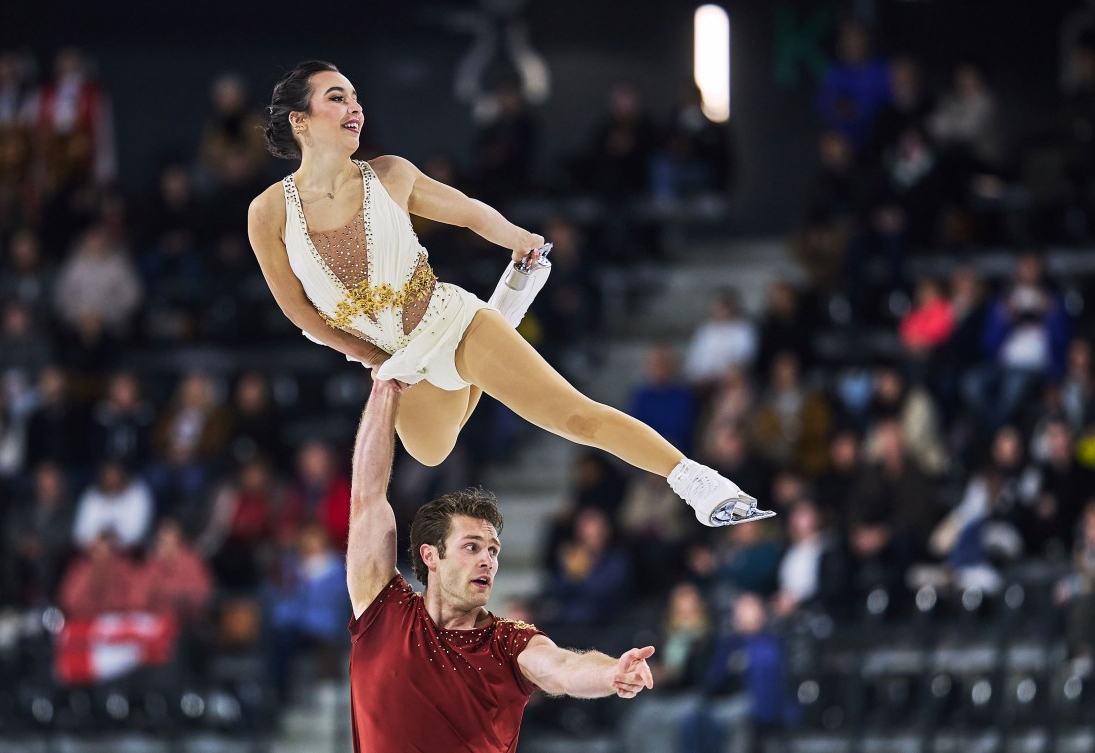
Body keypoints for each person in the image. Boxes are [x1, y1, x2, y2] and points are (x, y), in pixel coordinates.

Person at [246, 60, 768, 527]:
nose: (354, 106)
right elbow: (297, 309)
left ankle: (697, 481)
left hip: (452, 325)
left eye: (356, 97)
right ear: (300, 119)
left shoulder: (390, 175)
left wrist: (520, 239)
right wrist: (369, 356)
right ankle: (508, 310)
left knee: (573, 416)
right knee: (429, 451)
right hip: (399, 360)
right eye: (336, 97)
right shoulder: (268, 211)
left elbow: (470, 210)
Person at [341, 377, 657, 752]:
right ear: (431, 556)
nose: (487, 560)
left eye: (493, 550)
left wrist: (611, 673)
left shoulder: (509, 644)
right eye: (471, 547)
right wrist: (385, 388)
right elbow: (368, 496)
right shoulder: (384, 611)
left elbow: (563, 669)